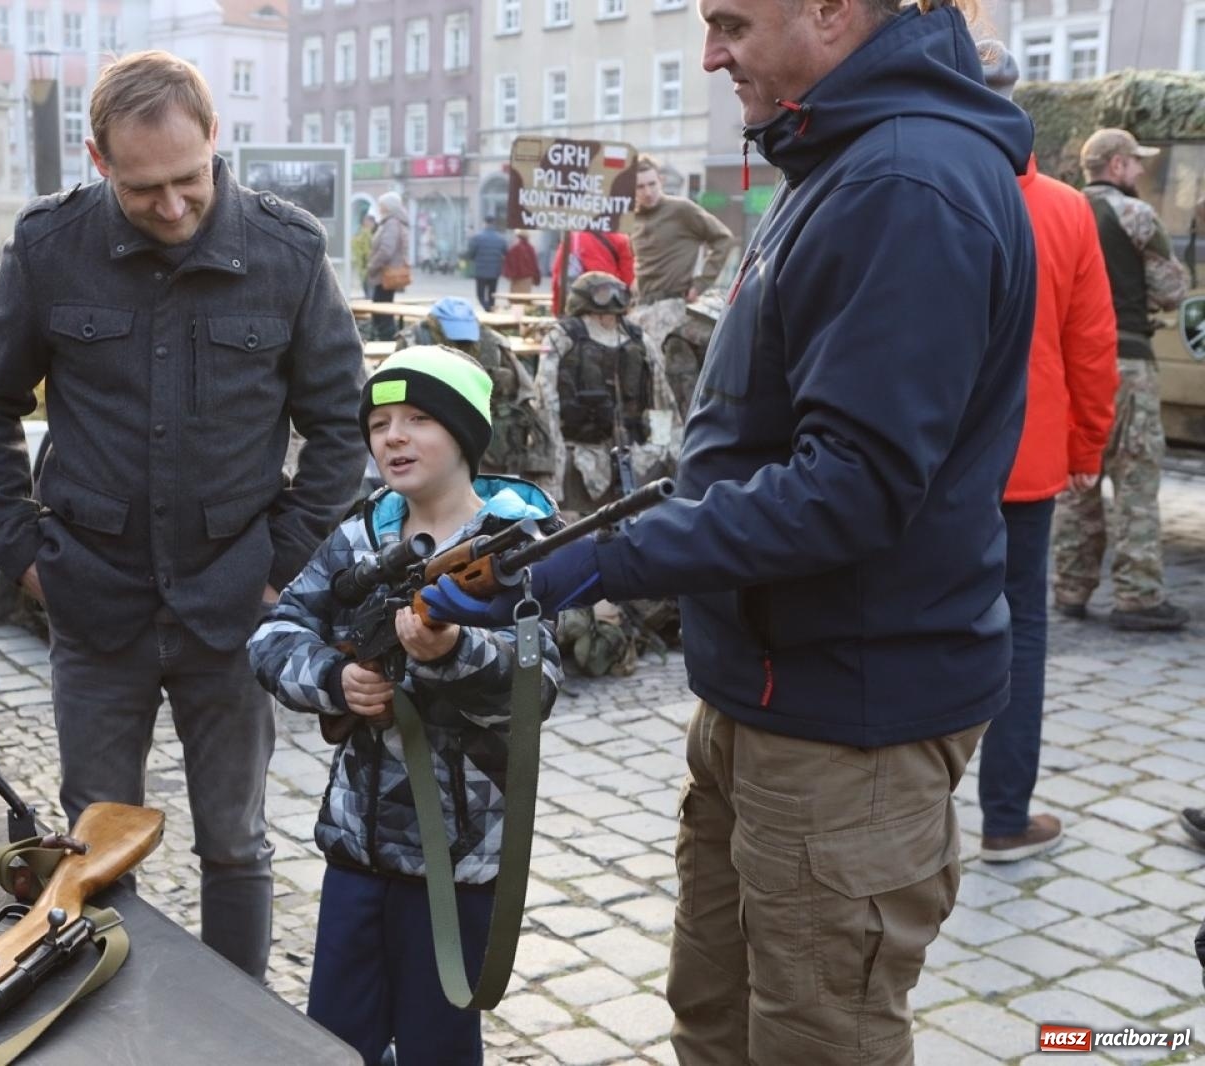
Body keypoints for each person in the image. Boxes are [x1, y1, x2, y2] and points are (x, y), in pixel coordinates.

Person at [423, 2, 1037, 1062]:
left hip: (848, 721)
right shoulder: (841, 160)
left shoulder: (901, 185)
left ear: (833, 12)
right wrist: (573, 537)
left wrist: (602, 559)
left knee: (809, 1041)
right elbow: (758, 440)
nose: (709, 54)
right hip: (768, 691)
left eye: (733, 22)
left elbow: (847, 490)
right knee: (716, 1020)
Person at [0, 51, 367, 981]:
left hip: (234, 604)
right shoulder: (50, 247)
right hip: (94, 603)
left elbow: (341, 428)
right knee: (95, 848)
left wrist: (280, 568)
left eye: (190, 180)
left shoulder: (288, 252)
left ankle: (238, 1029)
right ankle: (112, 1022)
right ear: (99, 161)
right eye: (145, 190)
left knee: (237, 845)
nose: (175, 208)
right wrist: (23, 553)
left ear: (215, 140)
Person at [248, 346, 562, 1066]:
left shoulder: (512, 548)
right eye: (381, 421)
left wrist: (450, 655)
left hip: (461, 859)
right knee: (334, 1038)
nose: (394, 436)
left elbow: (534, 686)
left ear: (465, 435)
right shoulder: (360, 535)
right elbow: (274, 634)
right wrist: (335, 680)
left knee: (439, 1043)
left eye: (420, 418)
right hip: (358, 847)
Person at [972, 44, 1118, 864]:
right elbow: (1091, 345)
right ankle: (1003, 816)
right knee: (1021, 631)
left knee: (917, 621)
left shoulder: (918, 182)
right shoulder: (1065, 209)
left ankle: (911, 819)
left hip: (926, 462)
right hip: (1026, 462)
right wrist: (1086, 447)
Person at [1052, 127, 1192, 632]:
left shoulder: (1061, 206)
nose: (1139, 172)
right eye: (1136, 163)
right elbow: (1173, 289)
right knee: (1134, 478)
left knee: (1076, 478)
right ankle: (1137, 595)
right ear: (1115, 165)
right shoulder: (1135, 214)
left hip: (1067, 365)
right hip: (1126, 360)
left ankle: (1070, 587)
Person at [538, 272, 668, 511]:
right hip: (575, 456)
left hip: (634, 457)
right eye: (602, 310)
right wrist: (554, 464)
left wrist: (659, 450)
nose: (608, 317)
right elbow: (545, 402)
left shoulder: (639, 340)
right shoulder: (562, 338)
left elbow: (661, 400)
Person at [400, 297, 553, 481]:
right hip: (432, 436)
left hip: (490, 445)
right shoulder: (413, 342)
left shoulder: (495, 344)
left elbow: (526, 396)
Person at [627, 156, 734, 419]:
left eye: (652, 184)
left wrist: (701, 282)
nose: (648, 192)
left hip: (673, 308)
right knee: (644, 387)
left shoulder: (681, 209)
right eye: (640, 187)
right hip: (642, 309)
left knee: (674, 389)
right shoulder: (630, 218)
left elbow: (723, 239)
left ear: (661, 181)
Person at [549, 228, 633, 317]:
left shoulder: (572, 237)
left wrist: (557, 311)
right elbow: (628, 280)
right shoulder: (621, 239)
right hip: (608, 308)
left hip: (578, 308)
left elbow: (558, 277)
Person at [367, 191, 410, 338]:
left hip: (384, 275)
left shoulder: (391, 223)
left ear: (389, 207)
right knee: (382, 312)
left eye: (382, 205)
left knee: (382, 313)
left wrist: (372, 265)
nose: (379, 208)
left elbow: (386, 250)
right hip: (385, 275)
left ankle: (387, 343)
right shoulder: (391, 222)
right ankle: (386, 341)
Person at [465, 217, 508, 311]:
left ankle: (486, 307)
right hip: (494, 271)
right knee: (492, 293)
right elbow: (506, 253)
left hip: (481, 270)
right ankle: (490, 307)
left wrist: (474, 259)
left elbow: (471, 253)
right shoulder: (500, 238)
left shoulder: (477, 238)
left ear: (484, 223)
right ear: (494, 223)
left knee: (480, 294)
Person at [502, 231, 541, 296]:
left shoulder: (514, 248)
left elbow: (509, 262)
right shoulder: (531, 248)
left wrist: (509, 275)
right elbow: (535, 263)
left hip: (516, 278)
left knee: (515, 298)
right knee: (525, 297)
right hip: (528, 278)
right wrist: (537, 276)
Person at [351, 212, 377, 295]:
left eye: (368, 221)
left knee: (370, 290)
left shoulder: (374, 232)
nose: (366, 223)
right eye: (365, 221)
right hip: (363, 265)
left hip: (370, 265)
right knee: (366, 288)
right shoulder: (362, 232)